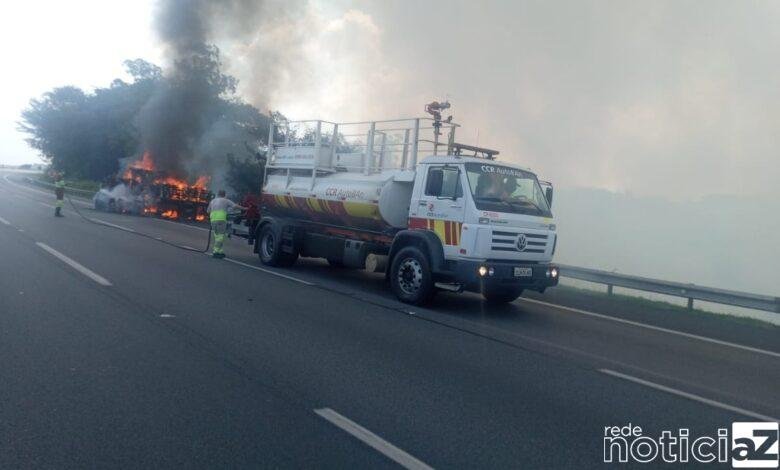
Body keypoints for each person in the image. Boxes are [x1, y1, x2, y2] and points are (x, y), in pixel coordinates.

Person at [206, 190, 246, 259]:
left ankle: (220, 252)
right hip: (221, 220)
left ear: (218, 194)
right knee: (221, 237)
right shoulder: (226, 200)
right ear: (224, 194)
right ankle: (215, 252)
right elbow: (235, 206)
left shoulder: (212, 201)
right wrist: (245, 208)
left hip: (213, 220)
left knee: (217, 236)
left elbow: (208, 211)